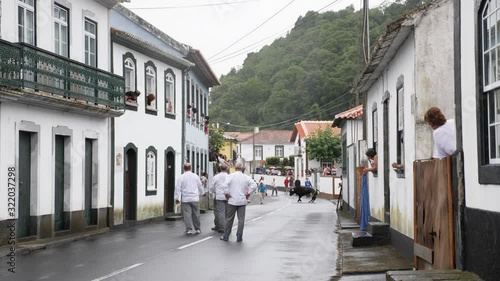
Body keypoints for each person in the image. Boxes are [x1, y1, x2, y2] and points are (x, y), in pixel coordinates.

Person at [220, 162, 257, 242]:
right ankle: (239, 236)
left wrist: (226, 193)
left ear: (235, 168)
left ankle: (226, 236)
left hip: (232, 200)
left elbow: (224, 185)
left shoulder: (230, 176)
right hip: (242, 200)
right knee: (241, 219)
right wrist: (248, 192)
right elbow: (254, 185)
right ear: (242, 168)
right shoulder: (246, 177)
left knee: (229, 218)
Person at [174, 163, 205, 235]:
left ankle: (189, 229)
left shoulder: (181, 177)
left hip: (186, 199)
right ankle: (197, 229)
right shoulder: (196, 176)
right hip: (195, 198)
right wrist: (201, 194)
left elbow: (178, 188)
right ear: (191, 168)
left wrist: (177, 198)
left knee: (187, 215)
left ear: (184, 168)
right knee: (196, 214)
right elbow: (200, 186)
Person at [209, 164, 229, 233]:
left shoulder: (216, 177)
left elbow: (212, 187)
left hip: (219, 196)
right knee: (226, 212)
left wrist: (212, 192)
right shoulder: (229, 177)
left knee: (220, 212)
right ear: (226, 169)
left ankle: (221, 227)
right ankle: (225, 226)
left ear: (220, 169)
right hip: (228, 196)